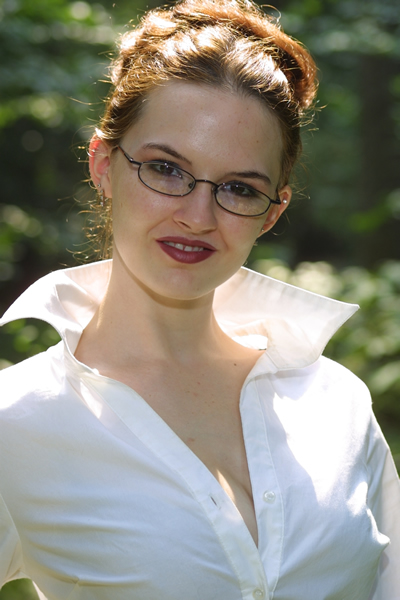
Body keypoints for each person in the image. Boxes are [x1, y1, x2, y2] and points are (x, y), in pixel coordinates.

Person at [0, 0, 399, 598]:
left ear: (273, 212)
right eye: (165, 169)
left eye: (239, 188)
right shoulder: (17, 422)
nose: (198, 216)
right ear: (103, 165)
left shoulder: (336, 401)